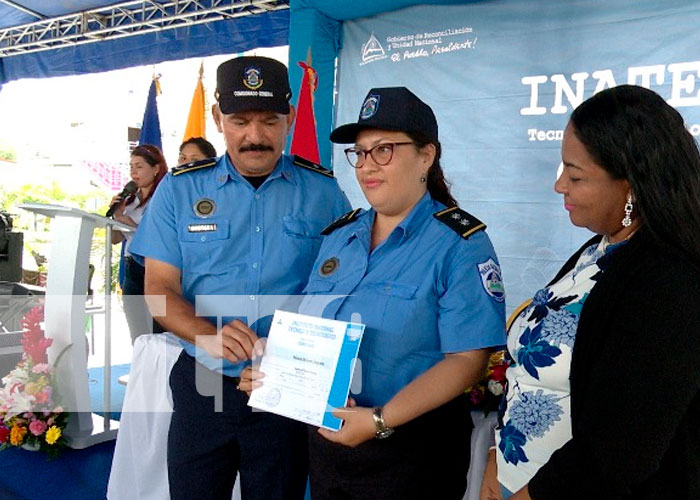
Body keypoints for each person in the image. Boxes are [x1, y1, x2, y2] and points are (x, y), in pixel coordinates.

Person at [129, 55, 351, 500]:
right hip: (202, 383)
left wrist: (288, 358)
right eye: (240, 120)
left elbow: (342, 293)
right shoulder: (181, 188)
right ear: (217, 119)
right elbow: (158, 290)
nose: (255, 136)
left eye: (270, 120)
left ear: (289, 118)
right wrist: (205, 336)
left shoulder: (324, 193)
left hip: (284, 389)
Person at [480, 85, 700, 500]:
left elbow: (622, 450)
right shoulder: (602, 247)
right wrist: (498, 456)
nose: (559, 185)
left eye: (575, 175)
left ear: (630, 184)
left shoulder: (670, 285)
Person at [288, 87, 506, 499]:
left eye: (384, 150)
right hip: (330, 441)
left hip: (414, 450)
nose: (367, 165)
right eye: (360, 152)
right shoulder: (340, 237)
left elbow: (468, 359)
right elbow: (311, 329)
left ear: (427, 155)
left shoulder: (460, 244)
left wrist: (379, 420)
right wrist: (275, 367)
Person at [109, 144, 168, 343]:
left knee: (158, 329)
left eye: (140, 166)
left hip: (155, 267)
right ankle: (142, 370)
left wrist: (133, 225)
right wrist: (117, 215)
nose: (134, 172)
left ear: (156, 168)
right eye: (131, 166)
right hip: (132, 267)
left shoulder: (164, 198)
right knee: (137, 330)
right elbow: (115, 240)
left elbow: (163, 235)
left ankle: (161, 372)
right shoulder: (130, 201)